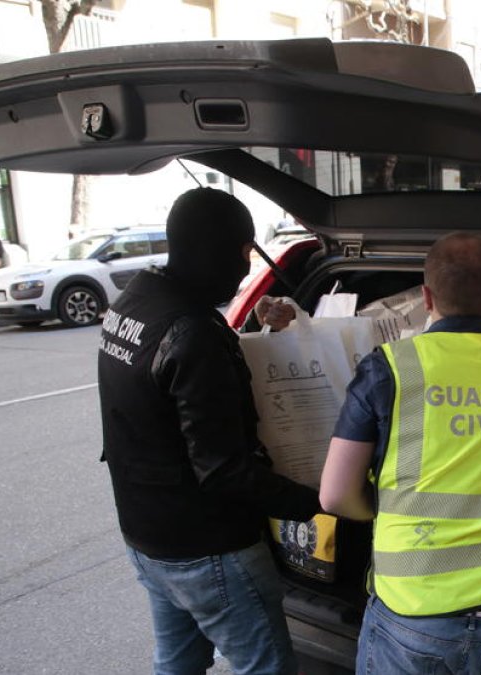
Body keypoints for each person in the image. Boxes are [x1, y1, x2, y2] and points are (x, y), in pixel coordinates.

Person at [97, 187, 320, 674]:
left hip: (148, 537)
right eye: (246, 254)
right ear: (232, 250)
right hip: (208, 550)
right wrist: (319, 503)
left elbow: (167, 390)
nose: (246, 269)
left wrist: (248, 336)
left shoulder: (135, 301)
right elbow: (224, 473)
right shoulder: (193, 332)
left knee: (177, 665)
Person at [318, 232, 481, 675]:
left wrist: (384, 510)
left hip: (415, 605)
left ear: (426, 295)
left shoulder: (388, 368)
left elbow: (334, 497)